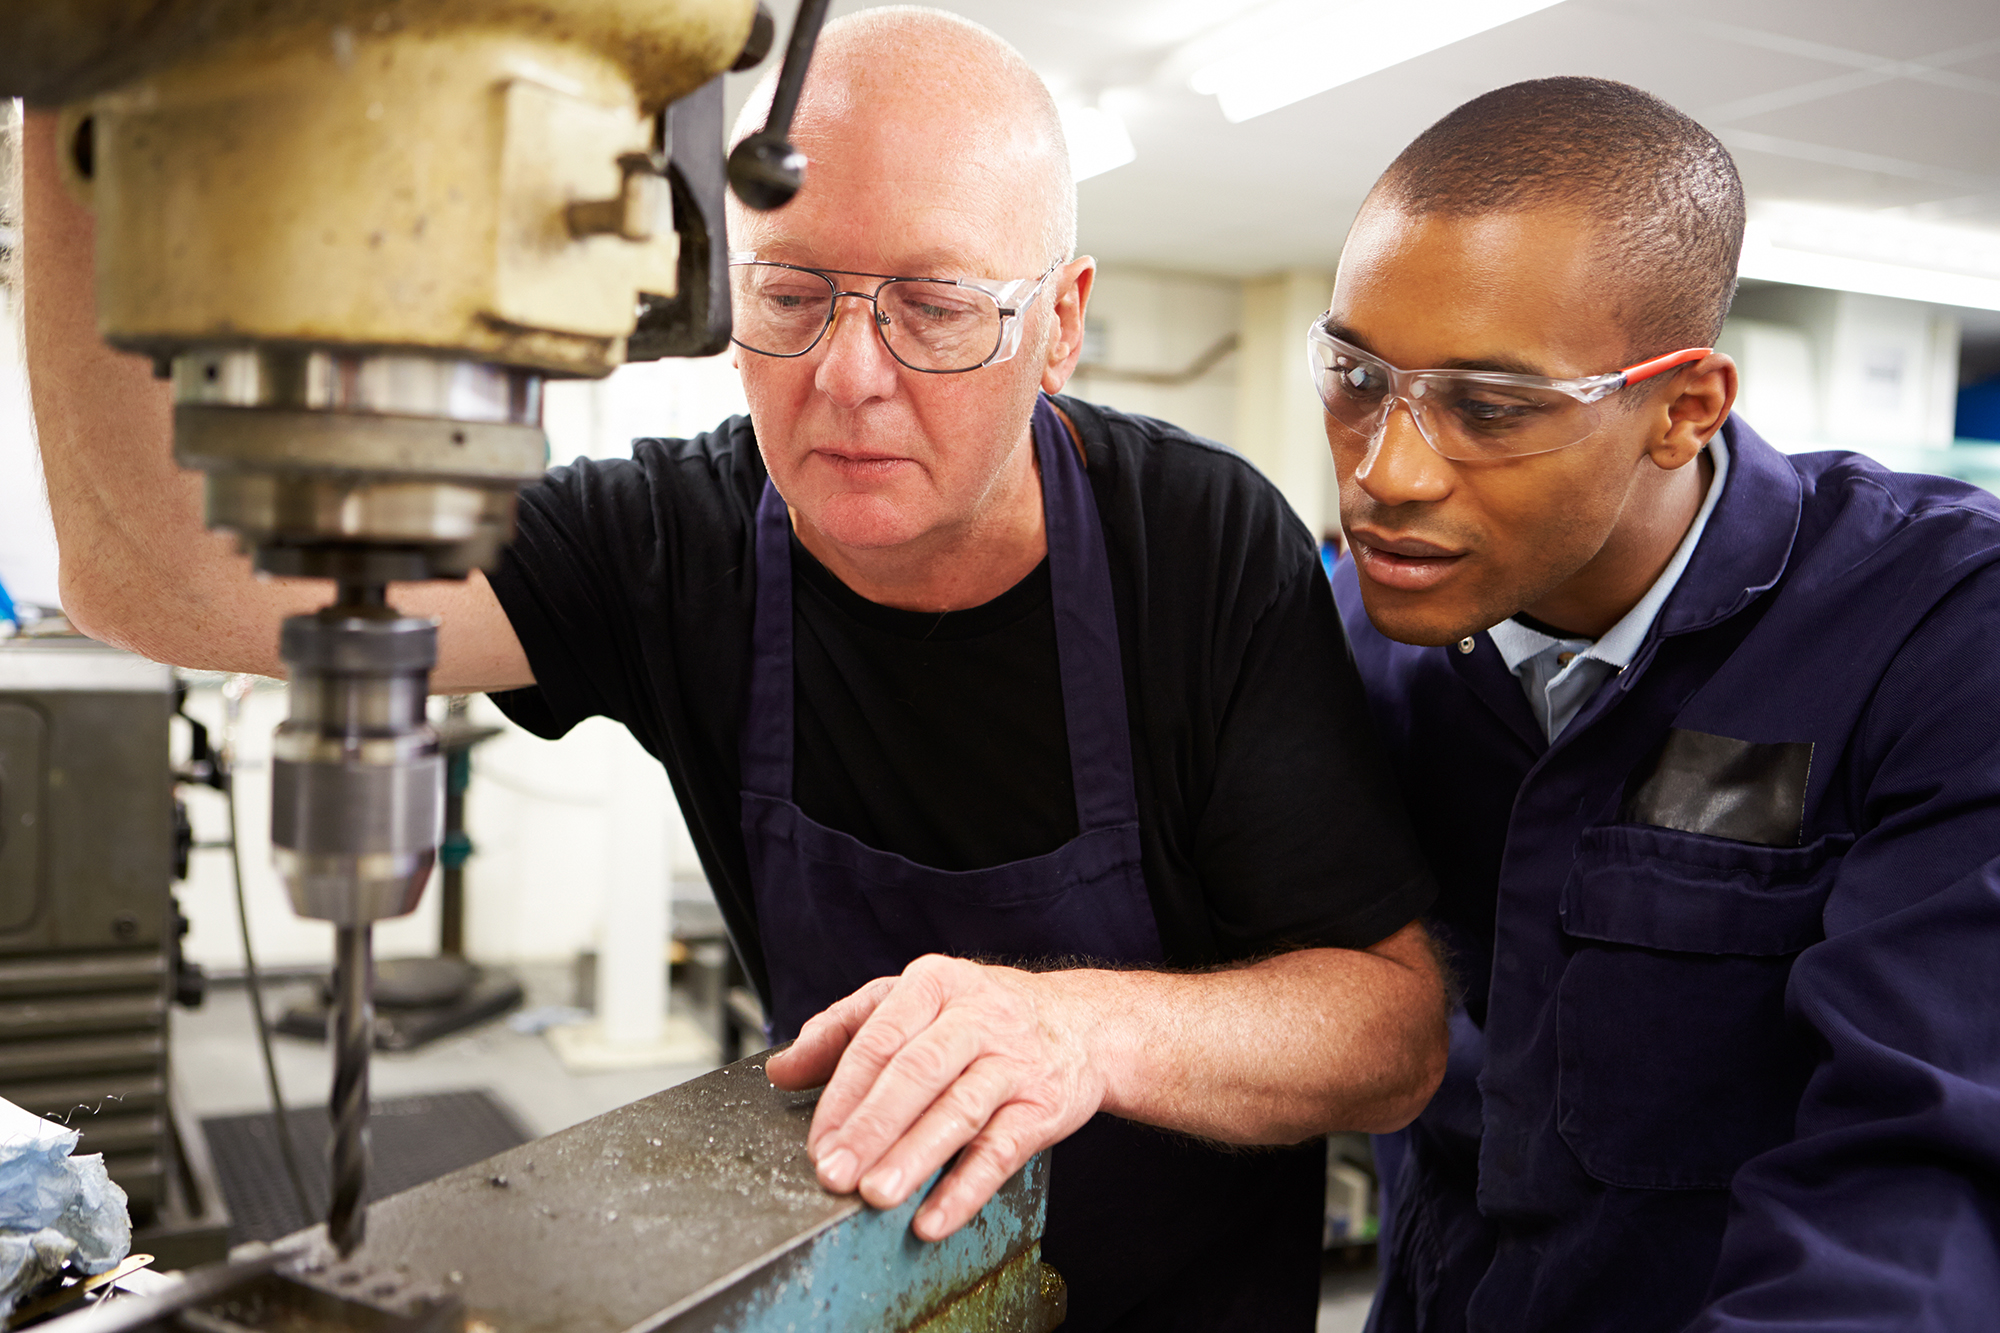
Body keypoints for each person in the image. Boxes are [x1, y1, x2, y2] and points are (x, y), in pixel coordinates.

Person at [25, 8, 1450, 1328]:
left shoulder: (1195, 543)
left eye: (936, 306)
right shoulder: (673, 538)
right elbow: (159, 583)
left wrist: (1078, 1025)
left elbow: (1389, 1031)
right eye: (794, 294)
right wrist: (77, 85)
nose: (847, 375)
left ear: (1059, 323)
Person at [1320, 76, 2000, 1331]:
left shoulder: (1941, 630)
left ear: (1680, 408)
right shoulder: (1364, 640)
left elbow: (1917, 1169)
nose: (1382, 471)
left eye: (1487, 405)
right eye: (1355, 374)